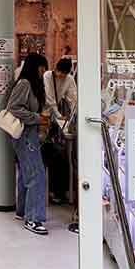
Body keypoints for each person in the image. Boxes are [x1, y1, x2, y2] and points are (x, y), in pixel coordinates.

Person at [7, 53, 49, 235]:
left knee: (27, 173)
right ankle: (33, 219)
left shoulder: (32, 84)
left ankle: (23, 210)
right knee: (37, 175)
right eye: (42, 68)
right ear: (35, 67)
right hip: (24, 135)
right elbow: (13, 108)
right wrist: (37, 118)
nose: (43, 72)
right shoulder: (24, 83)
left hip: (29, 134)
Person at [42, 58, 78, 205]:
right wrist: (58, 115)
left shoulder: (69, 79)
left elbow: (73, 98)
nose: (61, 76)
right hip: (44, 117)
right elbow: (49, 99)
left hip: (56, 120)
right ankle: (52, 191)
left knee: (59, 154)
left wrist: (74, 113)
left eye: (64, 73)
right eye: (59, 72)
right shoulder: (48, 76)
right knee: (52, 153)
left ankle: (59, 191)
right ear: (55, 69)